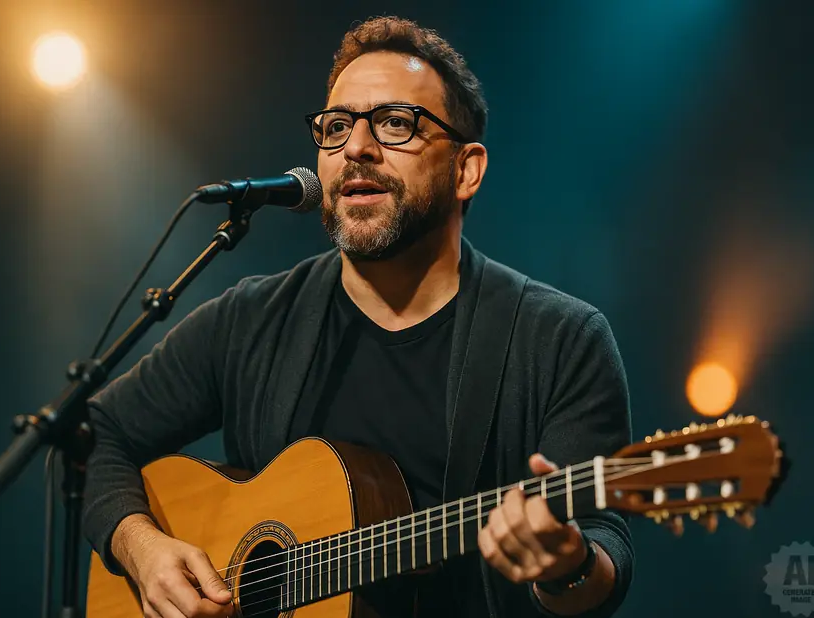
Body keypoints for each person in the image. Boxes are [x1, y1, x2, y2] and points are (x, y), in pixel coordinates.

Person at [82, 15, 634, 618]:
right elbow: (93, 436)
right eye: (337, 126)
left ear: (466, 170)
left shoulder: (559, 340)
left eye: (396, 123)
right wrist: (141, 547)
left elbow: (604, 557)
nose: (356, 148)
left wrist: (568, 563)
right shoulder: (252, 319)